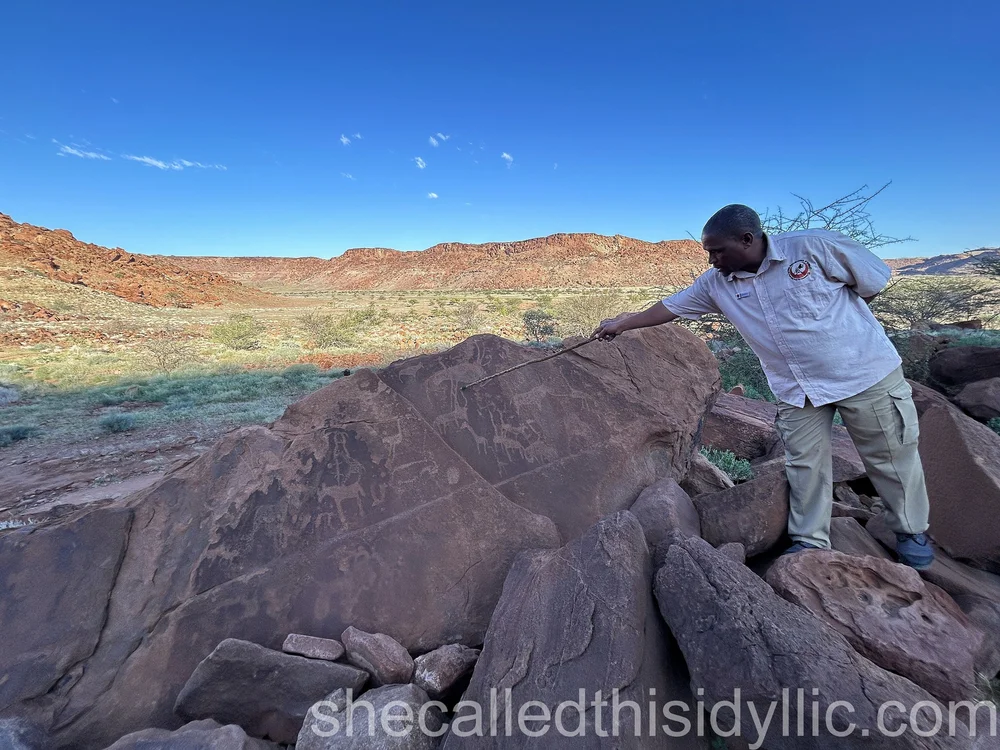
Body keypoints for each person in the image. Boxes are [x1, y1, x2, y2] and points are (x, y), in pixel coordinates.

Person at [592, 204, 934, 569]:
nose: (712, 260)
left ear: (748, 239)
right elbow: (670, 308)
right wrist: (623, 324)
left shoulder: (812, 248)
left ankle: (911, 531)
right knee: (805, 463)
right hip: (796, 389)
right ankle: (810, 542)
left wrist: (835, 330)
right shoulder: (716, 284)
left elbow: (872, 282)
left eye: (718, 251)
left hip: (863, 375)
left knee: (890, 456)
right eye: (709, 252)